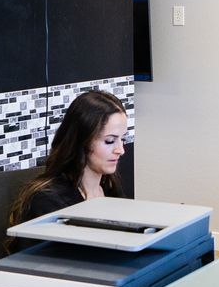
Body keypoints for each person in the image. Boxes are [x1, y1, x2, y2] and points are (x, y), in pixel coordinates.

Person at [7, 90, 130, 234]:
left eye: (122, 139)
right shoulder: (48, 200)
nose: (121, 150)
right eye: (109, 141)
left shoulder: (109, 187)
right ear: (82, 141)